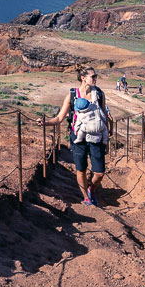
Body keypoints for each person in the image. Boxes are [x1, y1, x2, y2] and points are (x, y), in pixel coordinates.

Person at [52, 68, 110, 206]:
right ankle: (86, 197)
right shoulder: (72, 95)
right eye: (93, 76)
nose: (95, 78)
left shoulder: (100, 94)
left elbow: (104, 116)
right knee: (81, 169)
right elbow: (59, 118)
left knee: (99, 173)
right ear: (83, 78)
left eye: (96, 76)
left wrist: (106, 139)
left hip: (96, 136)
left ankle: (91, 189)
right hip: (78, 137)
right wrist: (45, 122)